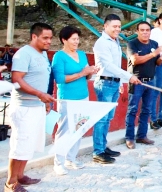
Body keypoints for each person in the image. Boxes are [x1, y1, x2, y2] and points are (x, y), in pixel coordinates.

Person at [5, 23, 56, 192]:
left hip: (37, 106)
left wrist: (45, 100)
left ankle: (20, 176)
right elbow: (17, 80)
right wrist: (39, 94)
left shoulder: (42, 55)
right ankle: (10, 183)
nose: (49, 41)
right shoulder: (23, 54)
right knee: (20, 144)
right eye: (45, 38)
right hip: (24, 107)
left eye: (50, 38)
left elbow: (41, 80)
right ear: (34, 37)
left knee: (29, 144)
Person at [92, 14, 140, 164]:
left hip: (113, 83)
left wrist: (120, 83)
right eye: (114, 26)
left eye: (119, 26)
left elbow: (117, 65)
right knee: (102, 119)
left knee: (108, 119)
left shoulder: (115, 41)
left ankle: (103, 147)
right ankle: (98, 152)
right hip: (104, 84)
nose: (117, 29)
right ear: (105, 26)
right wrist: (128, 77)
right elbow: (108, 65)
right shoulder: (101, 43)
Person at [52, 26, 99, 175]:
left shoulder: (82, 54)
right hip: (67, 98)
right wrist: (82, 73)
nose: (76, 42)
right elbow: (60, 79)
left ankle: (70, 158)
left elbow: (86, 74)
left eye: (78, 39)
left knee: (79, 128)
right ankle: (58, 162)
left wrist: (91, 72)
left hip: (83, 95)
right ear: (64, 40)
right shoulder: (59, 56)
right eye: (73, 39)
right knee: (64, 130)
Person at [125, 21, 162, 149]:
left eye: (147, 30)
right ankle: (129, 138)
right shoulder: (132, 43)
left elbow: (157, 63)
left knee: (147, 110)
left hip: (151, 81)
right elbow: (135, 60)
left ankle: (141, 136)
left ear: (150, 31)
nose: (145, 32)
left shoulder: (154, 44)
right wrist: (154, 54)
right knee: (132, 110)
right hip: (136, 81)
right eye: (142, 30)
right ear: (137, 31)